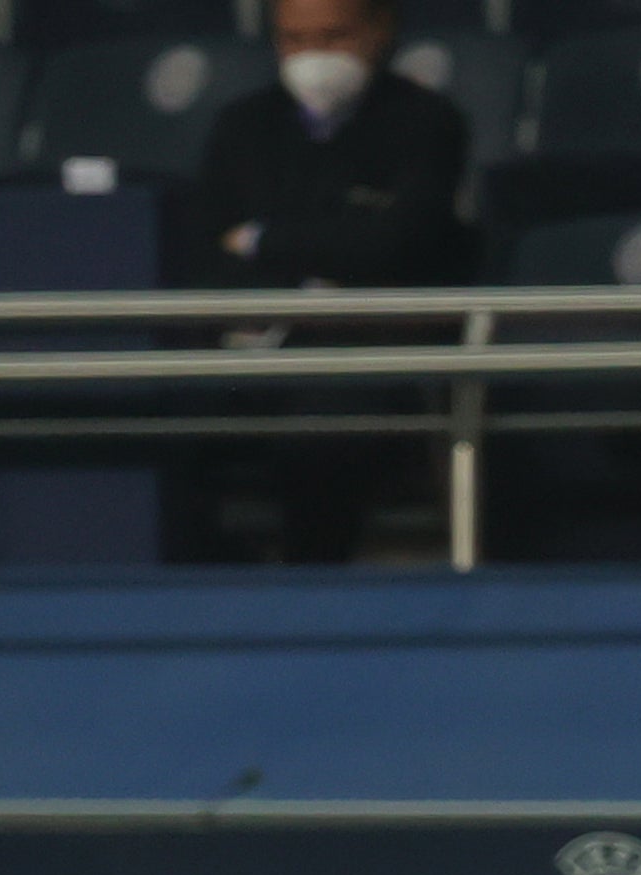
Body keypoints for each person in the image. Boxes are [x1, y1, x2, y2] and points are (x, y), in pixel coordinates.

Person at [186, 0, 475, 560]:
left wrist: (261, 239)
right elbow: (204, 253)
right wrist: (317, 254)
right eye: (294, 40)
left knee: (322, 424)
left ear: (380, 30)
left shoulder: (427, 121)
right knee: (158, 407)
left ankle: (313, 592)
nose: (312, 56)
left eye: (334, 37)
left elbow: (392, 246)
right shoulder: (243, 125)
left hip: (372, 343)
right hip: (249, 338)